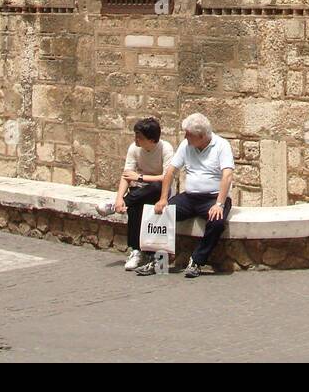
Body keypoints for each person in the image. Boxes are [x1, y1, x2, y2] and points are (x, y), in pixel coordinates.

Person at [139, 112, 234, 279]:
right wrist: (163, 199)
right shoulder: (186, 145)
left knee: (217, 222)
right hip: (190, 197)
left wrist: (219, 204)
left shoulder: (221, 145)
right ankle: (158, 261)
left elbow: (227, 175)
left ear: (201, 136)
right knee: (161, 213)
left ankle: (196, 261)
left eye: (189, 135)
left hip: (213, 198)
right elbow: (171, 171)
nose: (186, 137)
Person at [99, 117, 177, 271]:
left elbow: (166, 177)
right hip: (140, 191)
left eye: (139, 137)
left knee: (155, 186)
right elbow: (127, 175)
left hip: (161, 192)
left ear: (151, 140)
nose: (136, 140)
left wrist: (140, 177)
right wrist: (119, 198)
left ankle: (119, 206)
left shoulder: (165, 148)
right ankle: (136, 251)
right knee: (134, 206)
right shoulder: (134, 148)